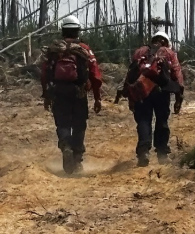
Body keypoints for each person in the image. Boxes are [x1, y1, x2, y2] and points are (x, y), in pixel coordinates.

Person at [41, 15, 103, 175]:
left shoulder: (55, 50)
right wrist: (97, 97)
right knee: (79, 124)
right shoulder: (84, 49)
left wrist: (46, 95)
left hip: (58, 92)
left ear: (63, 31)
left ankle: (66, 146)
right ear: (78, 31)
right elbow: (95, 75)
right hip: (79, 93)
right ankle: (77, 160)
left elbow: (44, 74)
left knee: (62, 123)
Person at [117, 30, 184, 166]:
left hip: (142, 92)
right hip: (162, 92)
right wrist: (179, 96)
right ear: (166, 42)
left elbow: (132, 74)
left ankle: (143, 152)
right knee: (162, 121)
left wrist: (131, 96)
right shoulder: (169, 53)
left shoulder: (140, 52)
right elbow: (177, 75)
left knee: (143, 121)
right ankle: (162, 153)